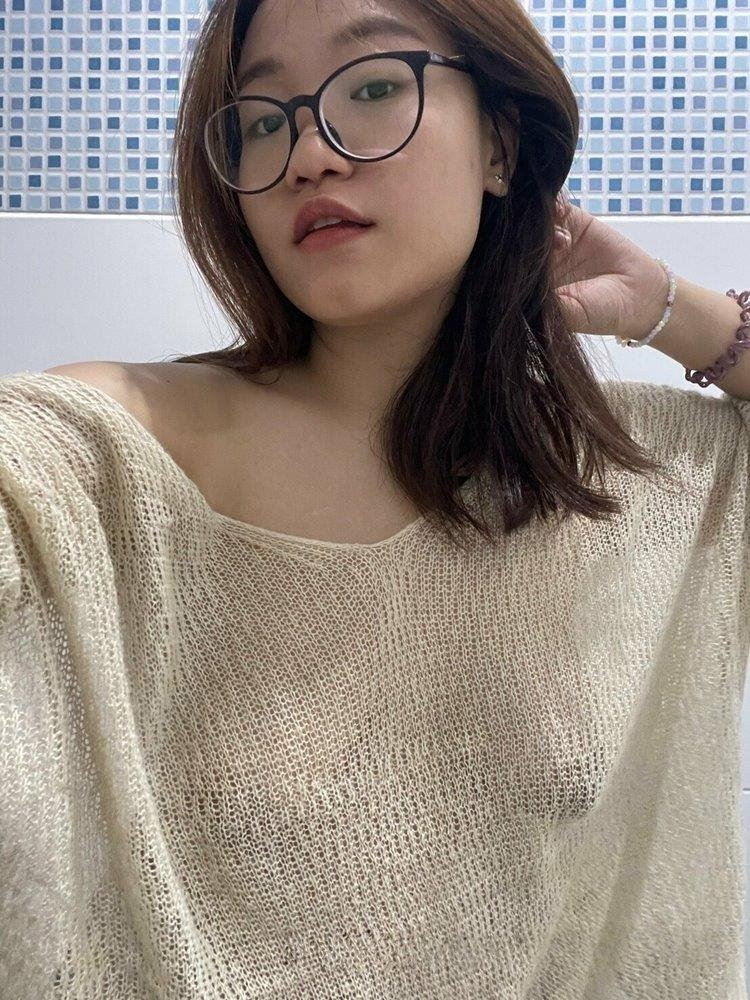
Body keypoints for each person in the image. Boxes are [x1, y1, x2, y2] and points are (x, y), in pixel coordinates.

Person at [1, 0, 749, 996]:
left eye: (375, 87)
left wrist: (669, 308)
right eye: (261, 120)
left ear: (498, 146)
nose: (307, 154)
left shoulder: (637, 481)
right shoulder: (109, 456)